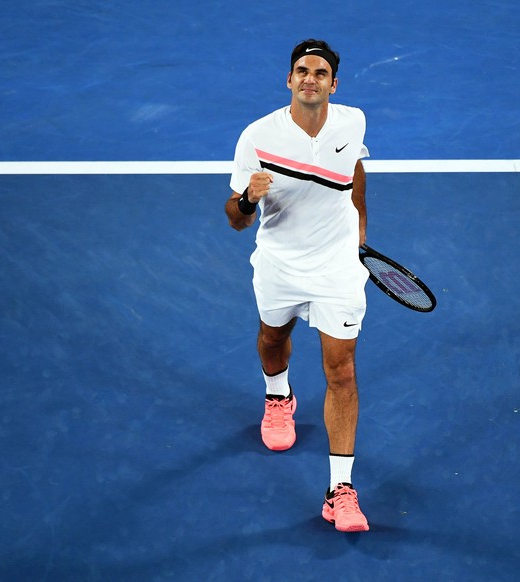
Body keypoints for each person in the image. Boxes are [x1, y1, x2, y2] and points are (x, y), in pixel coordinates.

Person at [225, 39, 371, 532]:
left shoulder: (353, 123)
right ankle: (278, 396)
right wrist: (248, 199)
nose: (311, 78)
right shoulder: (258, 137)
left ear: (334, 83)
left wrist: (361, 230)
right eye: (302, 70)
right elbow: (234, 221)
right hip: (280, 265)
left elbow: (355, 170)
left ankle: (340, 490)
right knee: (273, 340)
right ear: (289, 80)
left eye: (321, 72)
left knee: (342, 371)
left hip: (336, 268)